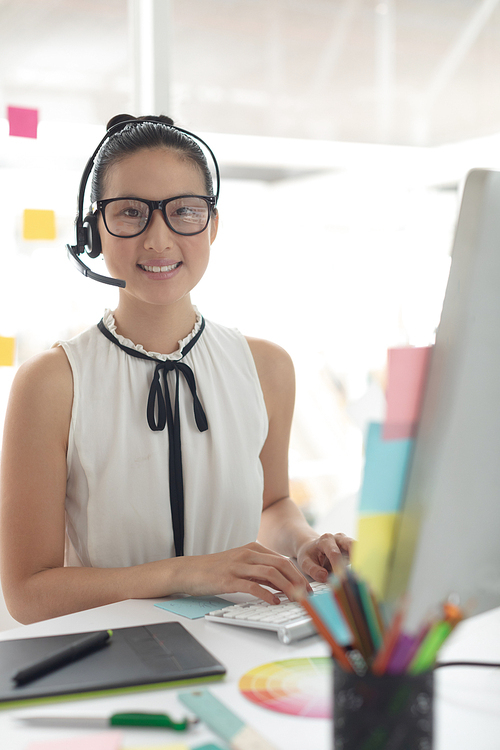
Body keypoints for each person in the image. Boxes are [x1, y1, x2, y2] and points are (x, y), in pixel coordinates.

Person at [0, 115, 352, 625]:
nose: (158, 240)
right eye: (129, 213)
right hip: (114, 660)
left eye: (183, 211)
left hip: (246, 649)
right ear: (94, 229)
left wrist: (304, 545)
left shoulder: (268, 367)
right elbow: (28, 594)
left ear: (211, 224)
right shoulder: (52, 384)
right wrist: (186, 573)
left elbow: (273, 505)